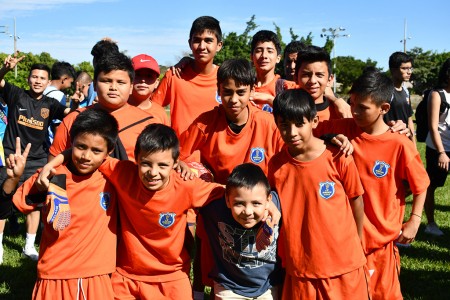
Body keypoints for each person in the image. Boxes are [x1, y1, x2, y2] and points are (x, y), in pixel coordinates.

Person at [42, 123, 226, 299]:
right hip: (126, 276)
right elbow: (88, 153)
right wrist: (53, 163)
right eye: (146, 164)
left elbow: (231, 194)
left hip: (171, 276)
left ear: (175, 163)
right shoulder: (124, 173)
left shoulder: (186, 186)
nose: (153, 172)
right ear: (136, 159)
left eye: (162, 165)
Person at [314, 70, 429, 299]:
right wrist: (328, 137)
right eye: (352, 103)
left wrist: (415, 220)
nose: (354, 111)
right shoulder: (341, 128)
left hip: (380, 245)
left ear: (384, 109)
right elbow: (304, 134)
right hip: (342, 241)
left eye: (363, 107)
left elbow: (421, 184)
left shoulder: (399, 144)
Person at [1, 108, 119, 299]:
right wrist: (13, 181)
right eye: (81, 147)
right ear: (71, 143)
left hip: (96, 277)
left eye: (96, 150)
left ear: (109, 151)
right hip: (53, 276)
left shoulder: (113, 177)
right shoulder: (50, 176)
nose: (86, 156)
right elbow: (4, 211)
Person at [268, 89, 368, 299]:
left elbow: (356, 199)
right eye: (284, 125)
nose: (292, 132)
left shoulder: (338, 155)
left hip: (343, 263)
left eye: (299, 124)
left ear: (314, 121)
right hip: (300, 266)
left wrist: (357, 242)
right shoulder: (276, 165)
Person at [0, 52, 78, 261]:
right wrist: (6, 68)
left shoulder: (50, 104)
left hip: (37, 159)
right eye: (34, 77)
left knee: (34, 204)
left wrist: (77, 103)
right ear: (28, 78)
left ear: (47, 81)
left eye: (42, 78)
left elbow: (69, 114)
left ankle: (29, 246)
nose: (37, 81)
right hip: (11, 157)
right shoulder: (17, 94)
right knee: (2, 199)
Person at [179, 58, 284, 184]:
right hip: (218, 196)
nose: (234, 99)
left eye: (241, 93)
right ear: (219, 90)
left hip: (259, 198)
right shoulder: (204, 123)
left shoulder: (270, 125)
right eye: (228, 92)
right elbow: (177, 156)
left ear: (252, 91)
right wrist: (183, 166)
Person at [49, 51, 157, 163]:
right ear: (94, 85)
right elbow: (53, 167)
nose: (113, 87)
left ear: (130, 87)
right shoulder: (73, 119)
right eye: (106, 81)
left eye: (121, 82)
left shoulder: (148, 124)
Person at [198, 163, 282, 299]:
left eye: (256, 203)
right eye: (239, 203)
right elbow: (186, 185)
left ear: (268, 201)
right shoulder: (213, 207)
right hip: (228, 285)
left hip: (268, 285)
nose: (248, 212)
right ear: (227, 200)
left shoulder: (279, 203)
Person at [152, 16, 223, 138]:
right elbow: (153, 109)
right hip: (180, 155)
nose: (202, 46)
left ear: (219, 45)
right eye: (197, 40)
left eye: (208, 40)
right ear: (189, 43)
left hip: (215, 156)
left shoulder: (225, 78)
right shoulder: (174, 75)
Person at [423, 58, 450, 236]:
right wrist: (441, 153)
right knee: (431, 185)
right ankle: (430, 224)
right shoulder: (436, 94)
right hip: (438, 148)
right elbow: (433, 126)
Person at [295, 45, 351, 121]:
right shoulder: (285, 113)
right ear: (296, 78)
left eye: (319, 75)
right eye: (306, 75)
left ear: (330, 80)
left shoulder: (342, 114)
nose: (312, 81)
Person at [250, 30, 297, 112]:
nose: (264, 55)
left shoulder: (289, 88)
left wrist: (270, 100)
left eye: (270, 51)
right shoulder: (243, 87)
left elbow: (298, 117)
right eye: (258, 51)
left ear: (278, 58)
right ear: (251, 57)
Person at [384, 51, 416, 144]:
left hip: (406, 142)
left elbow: (409, 119)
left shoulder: (405, 90)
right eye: (405, 68)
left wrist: (413, 145)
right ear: (393, 70)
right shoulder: (385, 91)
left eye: (410, 68)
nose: (409, 72)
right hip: (390, 142)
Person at [129, 54, 169, 125]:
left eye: (149, 76)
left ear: (156, 83)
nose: (143, 80)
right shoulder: (116, 109)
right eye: (137, 75)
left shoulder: (160, 113)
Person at [44, 61, 77, 145]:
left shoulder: (43, 90)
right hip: (49, 142)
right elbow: (57, 124)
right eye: (70, 82)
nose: (70, 86)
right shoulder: (59, 95)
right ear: (64, 79)